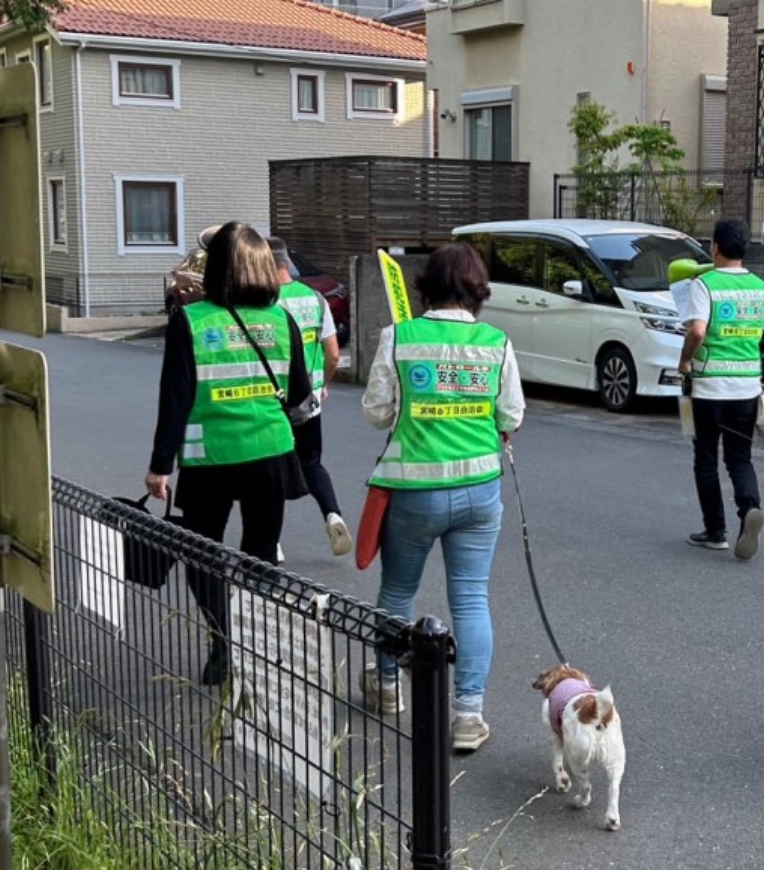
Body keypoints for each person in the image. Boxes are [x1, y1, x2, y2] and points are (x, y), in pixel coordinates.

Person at [361, 243, 525, 752]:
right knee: (471, 599)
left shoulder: (399, 337)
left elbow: (377, 411)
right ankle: (468, 716)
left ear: (426, 284)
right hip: (479, 489)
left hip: (414, 490)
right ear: (477, 288)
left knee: (397, 592)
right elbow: (511, 416)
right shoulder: (497, 342)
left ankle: (388, 687)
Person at [144, 221, 311, 686]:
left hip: (209, 458)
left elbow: (174, 397)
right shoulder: (283, 320)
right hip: (270, 453)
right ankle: (255, 645)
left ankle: (223, 642)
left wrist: (160, 465)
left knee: (203, 553)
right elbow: (299, 393)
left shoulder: (192, 320)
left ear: (216, 268)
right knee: (259, 554)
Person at [677, 216, 764, 560]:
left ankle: (715, 531)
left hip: (710, 388)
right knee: (740, 459)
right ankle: (749, 508)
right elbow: (761, 332)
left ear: (714, 247)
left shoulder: (705, 284)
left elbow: (698, 331)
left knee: (706, 459)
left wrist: (685, 360)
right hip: (747, 388)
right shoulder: (762, 289)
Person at [269, 235, 353, 557]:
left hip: (274, 401)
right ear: (287, 262)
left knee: (274, 469)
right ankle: (333, 514)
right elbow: (333, 354)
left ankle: (272, 542)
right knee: (312, 463)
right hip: (310, 401)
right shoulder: (315, 299)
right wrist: (322, 384)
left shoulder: (265, 302)